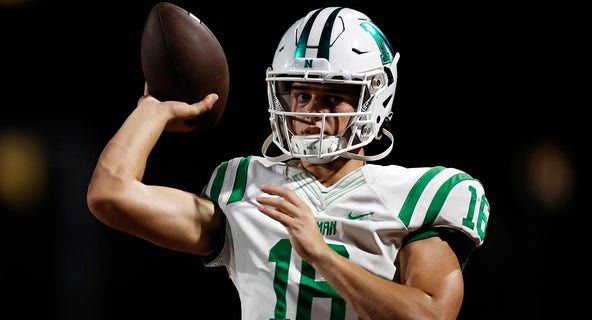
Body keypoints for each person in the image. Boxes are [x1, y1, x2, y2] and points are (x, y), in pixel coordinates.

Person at [87, 6, 490, 320]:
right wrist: (153, 110)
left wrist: (322, 254)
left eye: (332, 98)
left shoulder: (423, 194)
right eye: (301, 96)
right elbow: (110, 195)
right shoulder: (245, 184)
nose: (311, 113)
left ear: (374, 100)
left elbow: (431, 313)